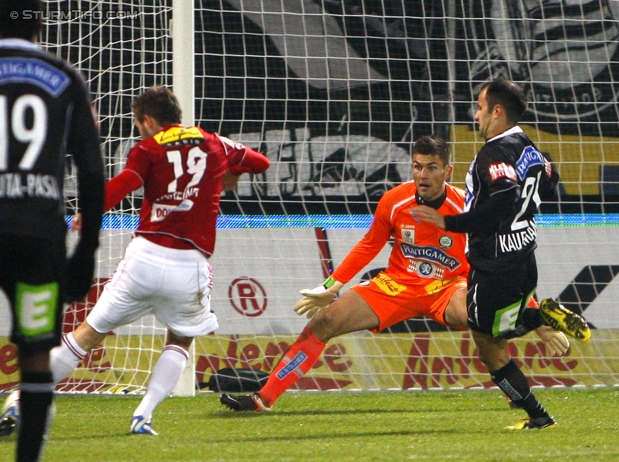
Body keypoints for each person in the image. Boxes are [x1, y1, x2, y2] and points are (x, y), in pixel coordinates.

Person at [220, 135, 570, 413]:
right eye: (417, 167)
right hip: (396, 286)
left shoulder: (468, 208)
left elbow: (501, 260)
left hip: (450, 287)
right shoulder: (395, 201)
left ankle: (532, 340)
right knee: (325, 322)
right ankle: (262, 398)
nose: (423, 175)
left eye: (432, 168)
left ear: (447, 172)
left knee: (480, 319)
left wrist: (537, 320)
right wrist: (332, 286)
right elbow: (369, 245)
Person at [4, 86, 270, 436]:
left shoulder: (148, 148)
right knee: (179, 341)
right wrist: (226, 175)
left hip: (144, 259)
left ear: (147, 120)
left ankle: (24, 401)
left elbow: (127, 182)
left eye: (137, 123)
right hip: (189, 267)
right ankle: (143, 415)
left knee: (86, 335)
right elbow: (261, 163)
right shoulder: (215, 143)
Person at [414, 78, 591, 430]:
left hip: (496, 264)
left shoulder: (493, 153)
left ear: (497, 111)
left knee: (489, 335)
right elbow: (551, 180)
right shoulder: (529, 146)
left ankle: (540, 318)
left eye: (480, 107)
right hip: (525, 256)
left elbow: (505, 198)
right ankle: (538, 416)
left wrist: (450, 223)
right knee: (489, 336)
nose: (475, 114)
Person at [0, 1, 105, 460]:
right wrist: (86, 249)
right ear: (41, 23)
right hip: (38, 237)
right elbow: (92, 171)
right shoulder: (64, 78)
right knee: (37, 354)